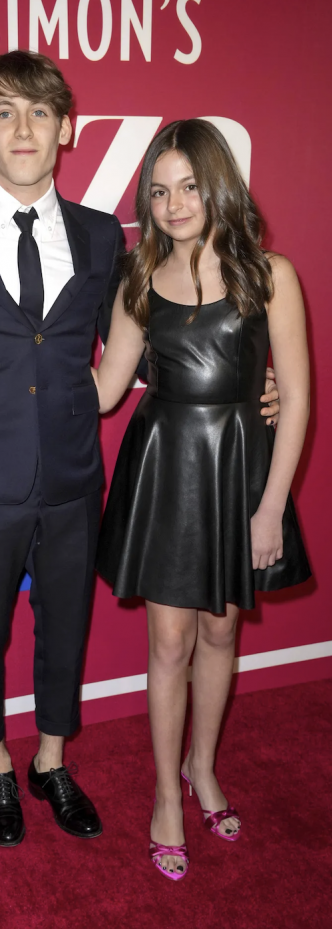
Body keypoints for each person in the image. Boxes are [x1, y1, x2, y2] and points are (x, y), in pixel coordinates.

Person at [0, 53, 281, 847]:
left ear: (66, 129)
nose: (23, 128)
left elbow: (153, 340)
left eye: (40, 112)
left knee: (66, 624)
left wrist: (253, 380)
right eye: (4, 112)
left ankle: (51, 757)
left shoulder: (100, 235)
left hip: (77, 472)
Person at [93, 119, 311, 880]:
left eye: (189, 186)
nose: (174, 204)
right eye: (158, 192)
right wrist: (32, 356)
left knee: (221, 634)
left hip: (240, 473)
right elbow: (106, 389)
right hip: (166, 471)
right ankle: (166, 796)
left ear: (219, 186)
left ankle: (202, 767)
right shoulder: (136, 278)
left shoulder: (270, 274)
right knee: (169, 644)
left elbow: (298, 399)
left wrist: (270, 507)